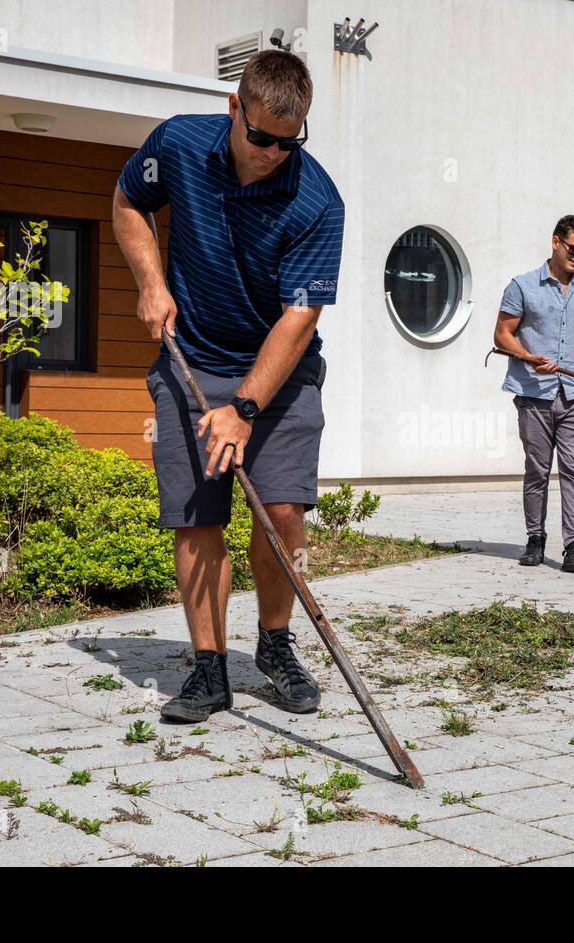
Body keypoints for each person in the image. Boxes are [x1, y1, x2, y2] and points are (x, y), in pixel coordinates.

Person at [113, 50, 344, 721]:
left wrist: (244, 407)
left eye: (288, 141)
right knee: (196, 518)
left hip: (282, 371)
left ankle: (275, 645)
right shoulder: (179, 142)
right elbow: (129, 201)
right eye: (261, 137)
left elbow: (299, 319)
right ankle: (209, 669)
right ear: (235, 109)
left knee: (281, 514)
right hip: (191, 359)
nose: (273, 152)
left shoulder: (317, 200)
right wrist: (151, 284)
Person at [493, 215, 574, 573]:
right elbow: (502, 334)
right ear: (556, 242)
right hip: (533, 393)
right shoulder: (522, 286)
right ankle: (535, 539)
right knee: (537, 470)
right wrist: (528, 358)